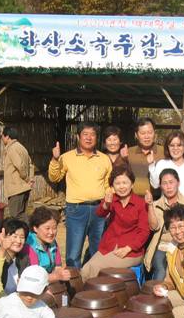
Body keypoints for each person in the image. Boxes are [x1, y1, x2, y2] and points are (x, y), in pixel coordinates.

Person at [48, 121, 112, 268]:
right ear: (78, 137)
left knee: (99, 251)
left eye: (92, 134)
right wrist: (55, 159)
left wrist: (108, 204)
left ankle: (95, 285)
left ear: (97, 138)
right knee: (73, 253)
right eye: (85, 134)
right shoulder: (67, 157)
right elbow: (54, 177)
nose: (89, 138)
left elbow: (109, 185)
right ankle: (74, 286)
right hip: (76, 209)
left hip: (99, 209)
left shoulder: (104, 159)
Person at [80, 166, 149, 282]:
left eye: (125, 183)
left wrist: (129, 248)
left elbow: (144, 232)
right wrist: (106, 204)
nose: (122, 187)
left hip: (131, 252)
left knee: (95, 268)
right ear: (112, 186)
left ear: (132, 184)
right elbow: (100, 213)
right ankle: (83, 297)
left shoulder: (140, 204)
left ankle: (91, 296)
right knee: (86, 269)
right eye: (117, 183)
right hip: (110, 246)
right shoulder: (111, 199)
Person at [144, 169, 184, 281]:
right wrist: (150, 206)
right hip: (163, 245)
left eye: (171, 182)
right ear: (160, 186)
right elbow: (154, 227)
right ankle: (155, 294)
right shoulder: (156, 205)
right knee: (161, 269)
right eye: (164, 183)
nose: (168, 186)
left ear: (178, 183)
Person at [149, 131, 184, 208]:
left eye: (179, 145)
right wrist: (151, 165)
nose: (175, 148)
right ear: (168, 147)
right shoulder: (162, 163)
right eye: (172, 145)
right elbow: (155, 185)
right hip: (165, 209)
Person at [23, 207, 71, 284]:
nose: (51, 232)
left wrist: (61, 273)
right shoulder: (29, 247)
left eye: (54, 228)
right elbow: (34, 278)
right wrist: (56, 277)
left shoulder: (53, 243)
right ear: (35, 228)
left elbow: (57, 266)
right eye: (47, 228)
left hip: (47, 281)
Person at [124, 117, 165, 196]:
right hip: (133, 201)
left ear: (155, 133)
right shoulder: (129, 152)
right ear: (136, 135)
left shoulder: (164, 152)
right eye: (143, 133)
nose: (147, 136)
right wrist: (122, 158)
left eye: (150, 132)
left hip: (157, 201)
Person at [0, 126, 33, 222]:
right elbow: (30, 164)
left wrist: (27, 179)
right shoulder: (22, 148)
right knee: (21, 214)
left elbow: (20, 165)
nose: (2, 139)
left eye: (2, 136)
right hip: (24, 188)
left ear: (7, 136)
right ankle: (26, 235)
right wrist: (31, 179)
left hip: (16, 189)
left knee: (16, 216)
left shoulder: (12, 149)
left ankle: (33, 229)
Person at [0, 218, 30, 294]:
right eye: (14, 236)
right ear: (3, 236)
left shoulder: (24, 259)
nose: (18, 241)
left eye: (22, 237)